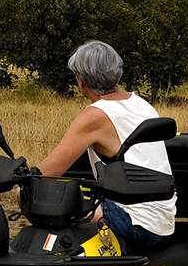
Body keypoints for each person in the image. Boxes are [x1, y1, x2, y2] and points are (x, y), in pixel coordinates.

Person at [37, 40, 177, 252]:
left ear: (81, 80)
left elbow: (47, 173)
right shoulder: (141, 104)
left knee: (57, 209)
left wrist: (20, 181)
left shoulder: (95, 115)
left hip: (133, 222)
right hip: (161, 220)